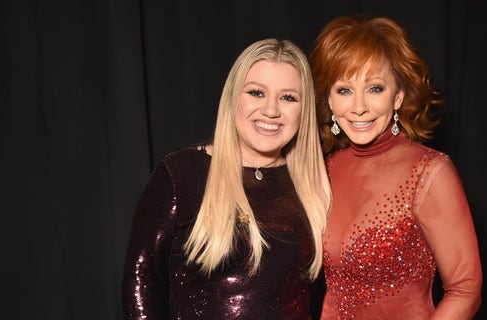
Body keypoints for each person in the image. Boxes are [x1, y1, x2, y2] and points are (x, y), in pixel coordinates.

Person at [121, 38, 332, 319]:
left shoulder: (313, 184)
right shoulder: (181, 172)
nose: (271, 110)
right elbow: (141, 275)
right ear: (234, 97)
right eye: (256, 93)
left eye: (288, 97)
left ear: (304, 110)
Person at [310, 16, 482, 319]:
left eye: (375, 88)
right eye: (345, 90)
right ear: (329, 99)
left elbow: (466, 288)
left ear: (398, 96)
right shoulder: (324, 169)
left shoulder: (429, 171)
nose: (359, 106)